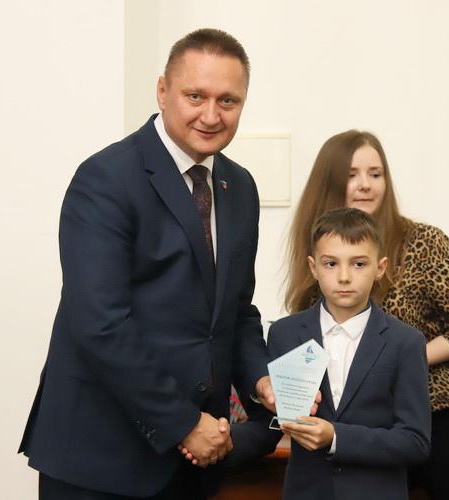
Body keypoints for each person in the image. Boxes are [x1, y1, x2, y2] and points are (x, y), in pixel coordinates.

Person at [19, 28, 275, 500]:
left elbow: (236, 311)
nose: (211, 115)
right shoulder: (105, 179)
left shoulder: (240, 187)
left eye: (228, 100)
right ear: (162, 90)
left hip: (192, 467)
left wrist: (263, 380)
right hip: (100, 461)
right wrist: (183, 423)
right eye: (195, 96)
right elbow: (101, 325)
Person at [285, 130, 449, 499]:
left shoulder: (425, 240)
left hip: (447, 413)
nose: (365, 184)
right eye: (352, 174)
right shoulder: (320, 246)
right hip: (366, 424)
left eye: (376, 173)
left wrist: (402, 361)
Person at [239, 207, 430, 499]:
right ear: (313, 267)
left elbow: (415, 442)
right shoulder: (285, 334)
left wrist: (337, 437)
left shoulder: (406, 343)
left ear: (380, 268)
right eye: (330, 264)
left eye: (358, 264)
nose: (344, 276)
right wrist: (225, 440)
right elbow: (272, 421)